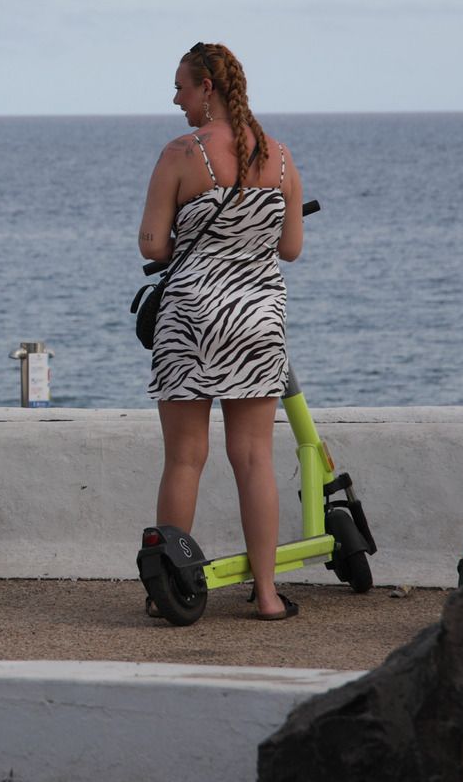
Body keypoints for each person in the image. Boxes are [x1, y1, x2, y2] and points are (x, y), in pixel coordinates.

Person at [137, 42, 304, 621]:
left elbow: (152, 244)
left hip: (192, 316)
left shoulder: (183, 152)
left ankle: (168, 592)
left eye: (181, 86)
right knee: (256, 457)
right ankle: (266, 594)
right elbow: (290, 247)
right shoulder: (280, 157)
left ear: (207, 87)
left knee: (185, 457)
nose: (176, 97)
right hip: (257, 315)